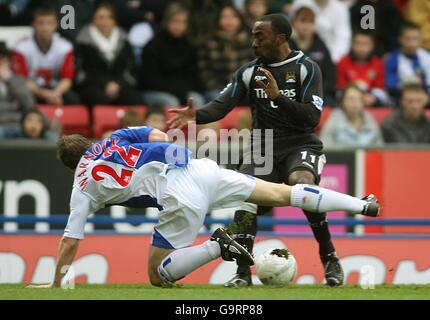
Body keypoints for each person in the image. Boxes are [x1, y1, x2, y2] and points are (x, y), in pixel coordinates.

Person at [27, 126, 379, 288]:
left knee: (157, 276)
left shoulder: (82, 184)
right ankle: (361, 204)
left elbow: (71, 239)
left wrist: (58, 285)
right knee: (282, 193)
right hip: (199, 167)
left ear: (71, 166)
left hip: (178, 193)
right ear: (89, 144)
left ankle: (217, 245)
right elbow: (159, 137)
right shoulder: (114, 138)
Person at [168, 14, 347, 287]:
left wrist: (278, 97)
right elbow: (221, 106)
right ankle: (242, 273)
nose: (253, 43)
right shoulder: (248, 72)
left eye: (259, 36)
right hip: (262, 146)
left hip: (301, 143)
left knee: (303, 185)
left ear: (280, 38)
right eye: (252, 36)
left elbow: (312, 118)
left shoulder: (306, 68)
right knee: (246, 197)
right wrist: (196, 116)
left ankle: (329, 256)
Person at [75, 2, 144, 108]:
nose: (105, 21)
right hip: (92, 86)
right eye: (101, 17)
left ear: (114, 20)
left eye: (109, 17)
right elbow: (81, 72)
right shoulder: (83, 41)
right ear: (93, 19)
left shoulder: (124, 40)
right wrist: (105, 84)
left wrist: (118, 84)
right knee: (99, 101)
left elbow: (132, 70)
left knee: (136, 101)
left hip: (121, 85)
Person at [140, 3, 204, 111]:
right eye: (175, 21)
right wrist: (179, 91)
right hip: (153, 91)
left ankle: (196, 129)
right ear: (167, 21)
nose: (179, 26)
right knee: (171, 102)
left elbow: (192, 76)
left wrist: (182, 90)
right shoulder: (153, 45)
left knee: (197, 99)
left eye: (183, 22)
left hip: (181, 91)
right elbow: (151, 80)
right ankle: (173, 129)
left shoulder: (189, 46)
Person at [11, 7, 80, 105]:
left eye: (49, 23)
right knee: (23, 98)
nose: (45, 28)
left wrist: (55, 93)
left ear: (56, 25)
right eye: (40, 23)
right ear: (33, 25)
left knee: (74, 100)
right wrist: (44, 94)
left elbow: (67, 79)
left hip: (56, 89)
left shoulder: (65, 47)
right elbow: (21, 80)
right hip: (32, 89)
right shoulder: (21, 48)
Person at [197, 4, 253, 102]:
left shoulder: (249, 42)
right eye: (224, 17)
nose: (229, 21)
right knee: (217, 97)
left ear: (240, 19)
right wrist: (225, 89)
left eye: (233, 16)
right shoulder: (209, 43)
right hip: (216, 89)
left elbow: (254, 69)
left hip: (244, 88)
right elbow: (204, 72)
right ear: (218, 19)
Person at [289, 1, 336, 107]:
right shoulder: (285, 45)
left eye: (310, 22)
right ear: (294, 22)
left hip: (319, 96)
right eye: (303, 21)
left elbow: (330, 74)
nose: (306, 26)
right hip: (291, 96)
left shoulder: (320, 45)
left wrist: (317, 93)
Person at [385, 22, 430, 107]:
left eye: (415, 39)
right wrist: (409, 96)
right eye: (408, 39)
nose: (412, 43)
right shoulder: (393, 58)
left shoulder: (427, 57)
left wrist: (423, 95)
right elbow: (391, 86)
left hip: (425, 96)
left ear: (421, 39)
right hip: (401, 97)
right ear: (400, 39)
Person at [337, 31, 390, 107]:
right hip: (349, 97)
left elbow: (379, 87)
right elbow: (341, 86)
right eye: (358, 43)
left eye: (365, 44)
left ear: (372, 46)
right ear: (351, 44)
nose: (361, 48)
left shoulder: (377, 63)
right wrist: (359, 96)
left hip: (370, 98)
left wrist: (370, 97)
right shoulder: (343, 62)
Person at [0, 42, 34, 129]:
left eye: (3, 59)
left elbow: (29, 105)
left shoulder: (18, 80)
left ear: (9, 62)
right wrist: (14, 106)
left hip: (16, 125)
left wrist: (9, 79)